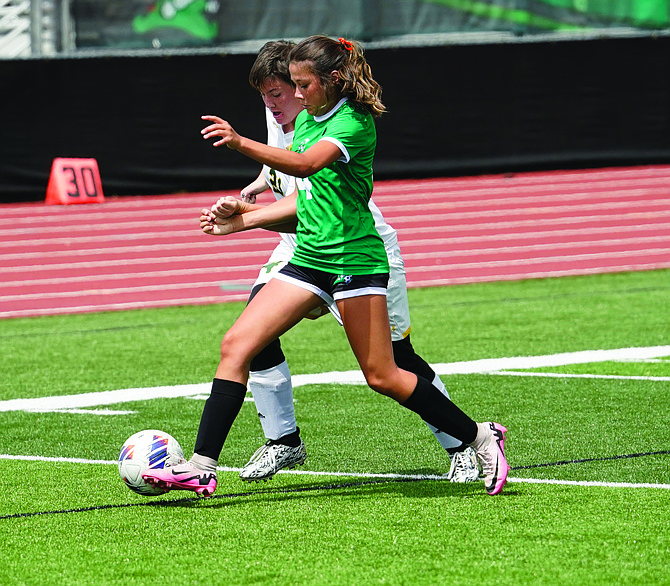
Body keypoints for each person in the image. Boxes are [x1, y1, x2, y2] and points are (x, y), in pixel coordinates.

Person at [142, 35, 509, 497]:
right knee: (237, 344)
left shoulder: (353, 122)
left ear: (332, 79)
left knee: (384, 374)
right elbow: (304, 200)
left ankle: (477, 438)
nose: (294, 96)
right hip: (310, 256)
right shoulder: (309, 120)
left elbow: (304, 166)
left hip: (355, 258)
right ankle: (202, 465)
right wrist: (243, 221)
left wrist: (239, 143)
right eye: (288, 87)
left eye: (301, 85)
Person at [228, 39, 480, 484]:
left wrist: (248, 214)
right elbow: (285, 169)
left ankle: (465, 444)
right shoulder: (286, 113)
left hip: (355, 243)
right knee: (253, 332)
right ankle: (282, 442)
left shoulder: (328, 114)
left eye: (281, 92)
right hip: (304, 245)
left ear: (311, 84)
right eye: (264, 95)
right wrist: (256, 188)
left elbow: (305, 168)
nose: (273, 103)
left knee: (393, 362)